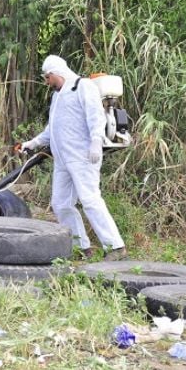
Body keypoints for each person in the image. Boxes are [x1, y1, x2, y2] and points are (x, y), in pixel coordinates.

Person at [21, 55, 128, 260]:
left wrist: (96, 141)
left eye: (47, 78)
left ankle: (115, 247)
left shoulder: (83, 86)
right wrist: (33, 143)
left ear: (54, 73)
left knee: (90, 200)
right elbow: (52, 129)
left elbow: (95, 116)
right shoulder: (57, 96)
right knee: (60, 203)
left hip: (82, 157)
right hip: (62, 161)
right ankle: (81, 247)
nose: (47, 82)